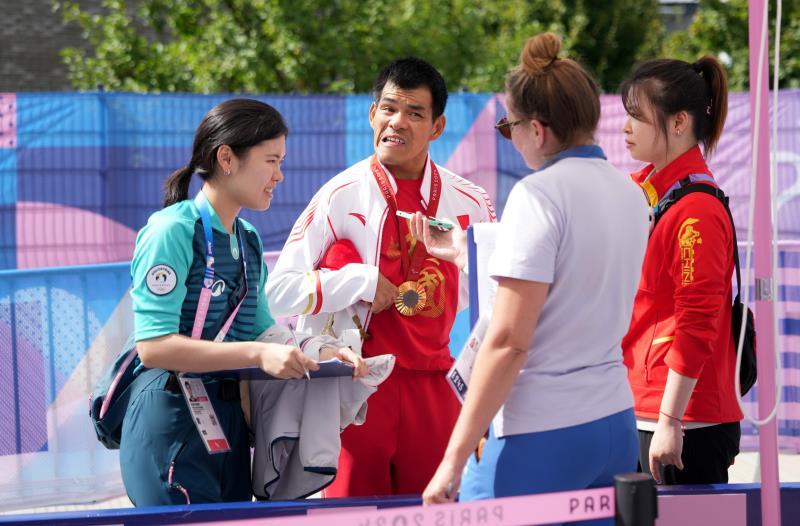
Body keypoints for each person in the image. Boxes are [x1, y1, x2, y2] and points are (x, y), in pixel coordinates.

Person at [421, 33, 649, 510]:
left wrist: (453, 458)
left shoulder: (538, 195)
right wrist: (467, 253)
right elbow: (572, 285)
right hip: (614, 423)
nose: (512, 138)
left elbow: (509, 342)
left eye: (510, 127)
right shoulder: (630, 194)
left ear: (538, 130)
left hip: (543, 430)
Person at [266, 57, 495, 497]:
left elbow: (494, 295)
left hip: (436, 387)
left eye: (414, 113)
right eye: (389, 108)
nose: (397, 122)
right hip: (359, 388)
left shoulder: (472, 202)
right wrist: (359, 281)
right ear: (372, 114)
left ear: (437, 127)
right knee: (354, 517)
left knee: (438, 515)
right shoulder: (338, 196)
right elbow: (279, 292)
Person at [121, 98, 365, 506]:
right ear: (227, 158)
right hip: (171, 409)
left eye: (280, 162)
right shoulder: (172, 231)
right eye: (271, 161)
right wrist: (257, 354)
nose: (279, 175)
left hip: (227, 417)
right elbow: (153, 347)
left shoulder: (247, 239)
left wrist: (322, 351)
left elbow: (264, 331)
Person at [619, 56, 742, 484]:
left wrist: (671, 419)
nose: (626, 127)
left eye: (637, 116)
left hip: (685, 421)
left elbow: (697, 320)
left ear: (678, 122)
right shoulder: (648, 193)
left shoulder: (696, 211)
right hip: (644, 406)